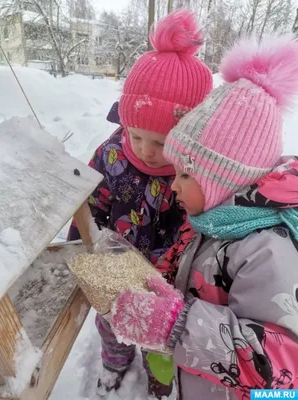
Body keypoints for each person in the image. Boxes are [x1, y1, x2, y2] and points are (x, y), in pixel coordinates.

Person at [110, 34, 298, 399]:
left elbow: (286, 375)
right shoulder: (208, 225)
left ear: (221, 180)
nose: (173, 186)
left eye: (184, 174)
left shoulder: (265, 252)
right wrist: (153, 284)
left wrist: (177, 325)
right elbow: (183, 273)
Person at [68, 9, 213, 398]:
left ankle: (160, 376)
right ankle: (115, 363)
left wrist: (174, 271)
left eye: (163, 142)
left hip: (164, 284)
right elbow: (91, 205)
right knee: (110, 325)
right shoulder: (112, 154)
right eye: (137, 136)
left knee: (160, 341)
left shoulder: (192, 175)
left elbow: (198, 225)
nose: (147, 152)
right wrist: (86, 251)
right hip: (115, 273)